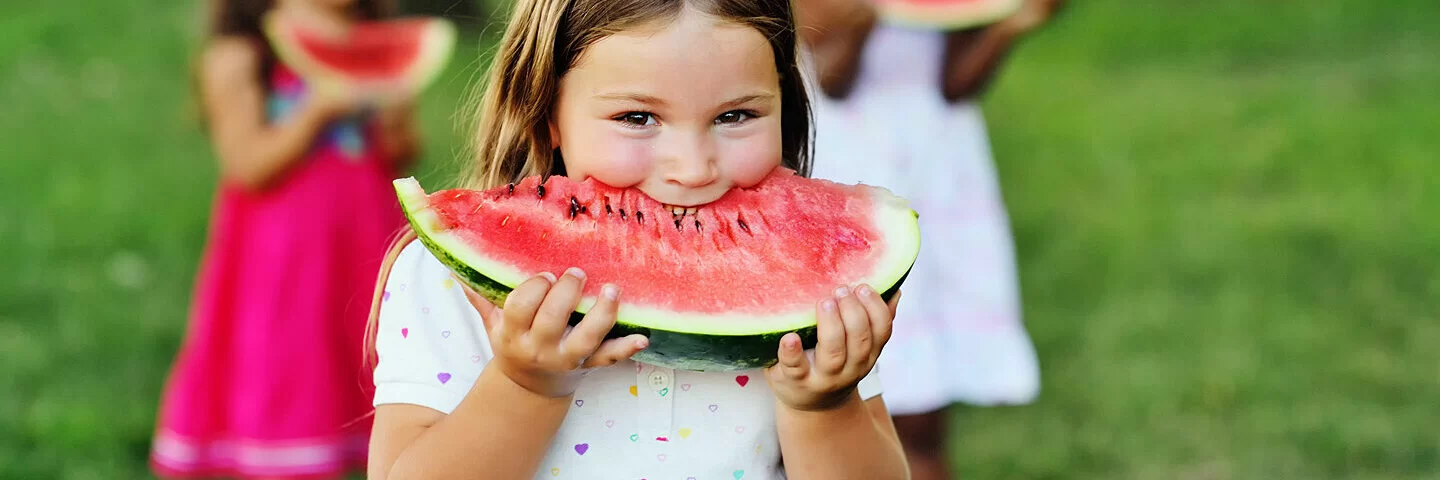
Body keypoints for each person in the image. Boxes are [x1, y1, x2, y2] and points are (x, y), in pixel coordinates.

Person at [362, 1, 912, 479]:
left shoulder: (813, 285)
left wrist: (824, 405)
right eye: (638, 117)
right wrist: (524, 385)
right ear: (548, 113)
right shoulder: (448, 283)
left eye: (736, 115)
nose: (693, 168)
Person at [794, 0, 1066, 478]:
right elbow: (831, 79)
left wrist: (1013, 23)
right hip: (852, 174)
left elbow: (955, 84)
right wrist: (865, 15)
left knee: (924, 414)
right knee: (854, 393)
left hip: (938, 176)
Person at [150, 0, 421, 477]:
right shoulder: (242, 54)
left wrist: (396, 116)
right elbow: (247, 164)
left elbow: (401, 153)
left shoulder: (370, 36)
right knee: (293, 358)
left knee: (365, 354)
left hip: (364, 241)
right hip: (282, 257)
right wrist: (316, 109)